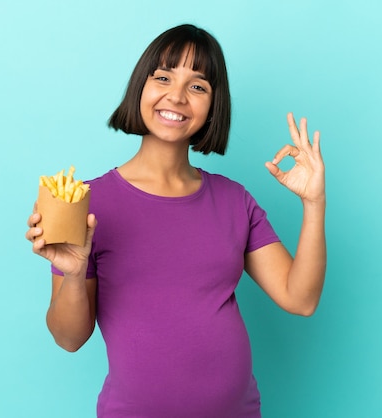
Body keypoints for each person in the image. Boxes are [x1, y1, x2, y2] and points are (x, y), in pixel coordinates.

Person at [25, 24, 326, 418]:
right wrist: (75, 273)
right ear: (141, 88)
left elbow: (300, 299)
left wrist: (314, 203)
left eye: (198, 86)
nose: (177, 96)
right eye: (164, 77)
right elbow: (68, 338)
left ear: (214, 105)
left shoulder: (234, 201)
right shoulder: (84, 201)